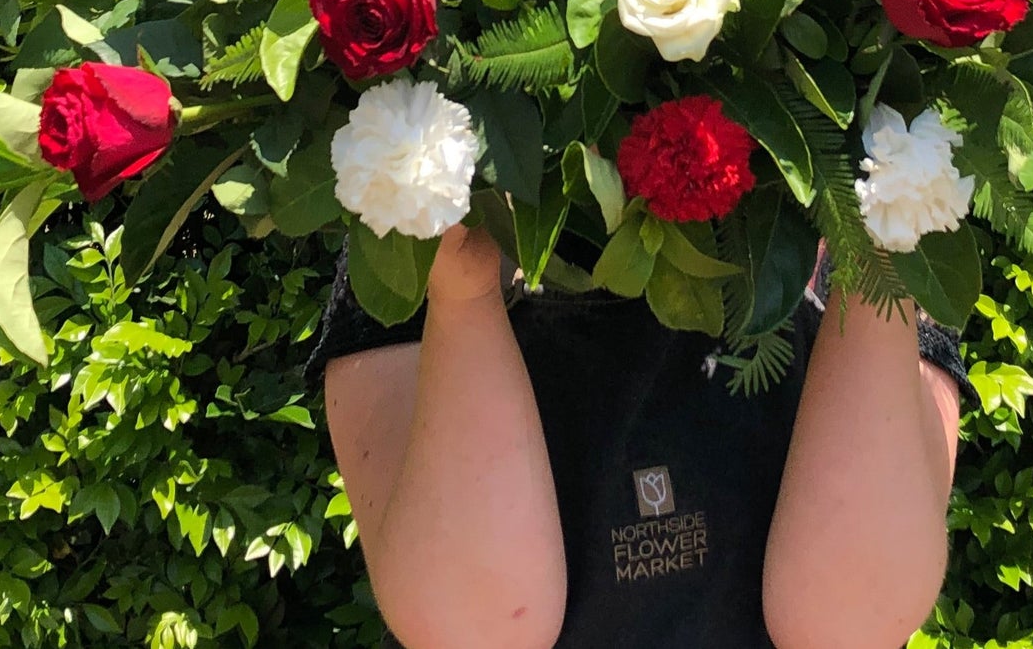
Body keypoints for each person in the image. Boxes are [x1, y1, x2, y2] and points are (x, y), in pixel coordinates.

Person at [313, 225, 968, 649]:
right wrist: (462, 285)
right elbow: (477, 630)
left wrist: (881, 228)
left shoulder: (874, 218)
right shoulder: (403, 232)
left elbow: (848, 625)